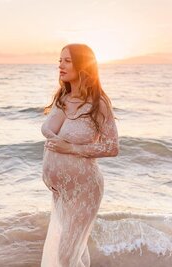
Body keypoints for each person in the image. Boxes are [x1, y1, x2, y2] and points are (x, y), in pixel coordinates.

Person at [40, 43, 119, 267]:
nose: (60, 66)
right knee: (74, 250)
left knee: (67, 255)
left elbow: (112, 147)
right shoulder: (63, 99)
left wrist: (71, 149)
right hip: (62, 191)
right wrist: (53, 138)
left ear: (83, 65)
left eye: (67, 60)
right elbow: (49, 129)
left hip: (85, 189)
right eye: (59, 60)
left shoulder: (99, 104)